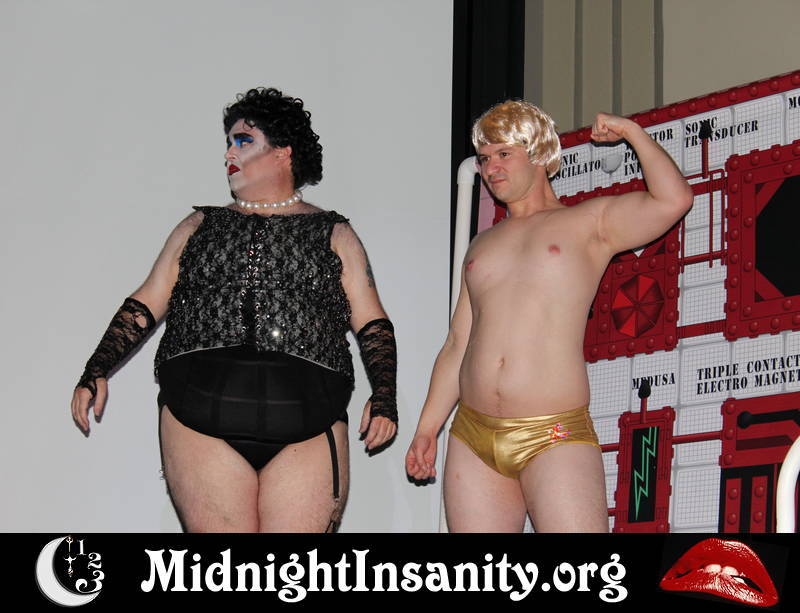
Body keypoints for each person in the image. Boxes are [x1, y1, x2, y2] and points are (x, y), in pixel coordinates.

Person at [71, 87, 397, 532]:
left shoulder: (335, 233)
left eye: (244, 140)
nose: (229, 152)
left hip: (309, 421)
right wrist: (96, 368)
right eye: (228, 142)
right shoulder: (198, 226)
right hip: (199, 419)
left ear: (283, 152)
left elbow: (372, 321)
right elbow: (146, 301)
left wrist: (385, 396)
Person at [405, 101, 692, 532]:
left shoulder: (588, 222)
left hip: (554, 432)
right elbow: (457, 343)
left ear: (538, 153)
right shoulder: (481, 245)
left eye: (504, 154)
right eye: (484, 158)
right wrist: (428, 427)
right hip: (472, 433)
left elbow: (674, 199)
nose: (491, 168)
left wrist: (632, 133)